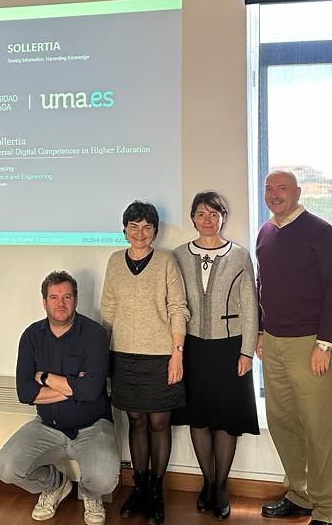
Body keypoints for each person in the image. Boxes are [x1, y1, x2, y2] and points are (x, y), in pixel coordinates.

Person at [256, 170, 332, 525]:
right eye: (269, 189)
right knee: (282, 423)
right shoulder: (265, 232)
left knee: (318, 427)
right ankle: (299, 494)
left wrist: (324, 343)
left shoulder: (320, 232)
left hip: (310, 344)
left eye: (282, 188)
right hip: (273, 343)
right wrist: (260, 331)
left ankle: (325, 509)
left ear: (297, 192)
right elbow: (263, 285)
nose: (274, 194)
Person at [0, 271, 119, 525]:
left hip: (93, 426)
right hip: (46, 426)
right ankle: (55, 484)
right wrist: (75, 386)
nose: (60, 303)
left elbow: (91, 391)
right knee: (6, 468)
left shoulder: (95, 334)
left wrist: (44, 377)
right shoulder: (31, 336)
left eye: (67, 297)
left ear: (76, 300)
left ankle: (90, 494)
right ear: (44, 302)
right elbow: (25, 393)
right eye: (54, 297)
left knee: (104, 480)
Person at [171, 191, 259, 520]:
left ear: (223, 217)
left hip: (229, 347)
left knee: (227, 419)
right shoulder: (179, 255)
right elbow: (174, 303)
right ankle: (207, 482)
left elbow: (250, 306)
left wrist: (246, 351)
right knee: (199, 417)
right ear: (192, 218)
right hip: (192, 347)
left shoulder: (239, 255)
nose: (207, 220)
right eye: (201, 214)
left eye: (214, 214)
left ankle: (221, 486)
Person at [100, 200, 189, 525]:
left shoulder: (166, 261)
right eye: (134, 226)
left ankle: (156, 491)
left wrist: (177, 352)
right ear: (125, 230)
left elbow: (178, 307)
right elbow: (108, 308)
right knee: (136, 421)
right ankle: (139, 487)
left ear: (155, 231)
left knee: (159, 423)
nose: (140, 233)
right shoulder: (114, 261)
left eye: (147, 227)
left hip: (162, 355)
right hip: (124, 354)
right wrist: (102, 354)